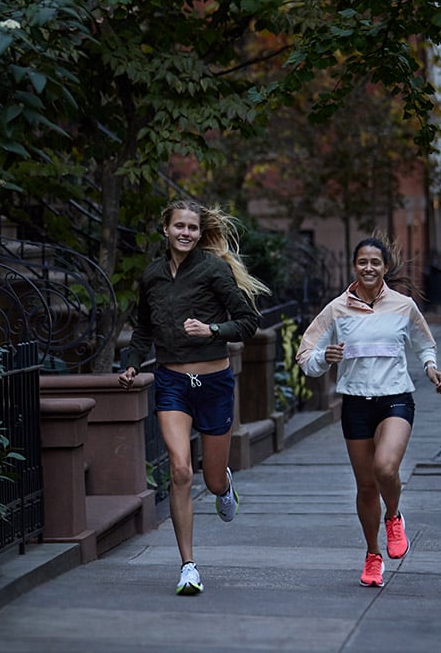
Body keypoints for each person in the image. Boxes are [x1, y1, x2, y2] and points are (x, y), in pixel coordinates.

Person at [118, 199, 268, 596]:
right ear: (165, 229)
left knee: (212, 479)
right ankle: (188, 566)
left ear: (200, 234)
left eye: (193, 228)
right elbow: (143, 330)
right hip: (172, 384)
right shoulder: (151, 276)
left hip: (214, 384)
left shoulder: (213, 269)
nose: (185, 233)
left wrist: (213, 330)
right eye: (179, 226)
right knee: (181, 471)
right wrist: (133, 363)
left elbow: (249, 323)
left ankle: (224, 486)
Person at [295, 235, 441, 588]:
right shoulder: (336, 309)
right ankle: (373, 554)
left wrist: (430, 367)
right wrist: (324, 358)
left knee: (384, 467)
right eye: (362, 262)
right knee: (366, 487)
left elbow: (425, 343)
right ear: (354, 266)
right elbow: (306, 357)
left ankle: (393, 516)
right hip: (355, 403)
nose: (368, 267)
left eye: (375, 263)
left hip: (395, 398)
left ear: (385, 268)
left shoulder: (403, 306)